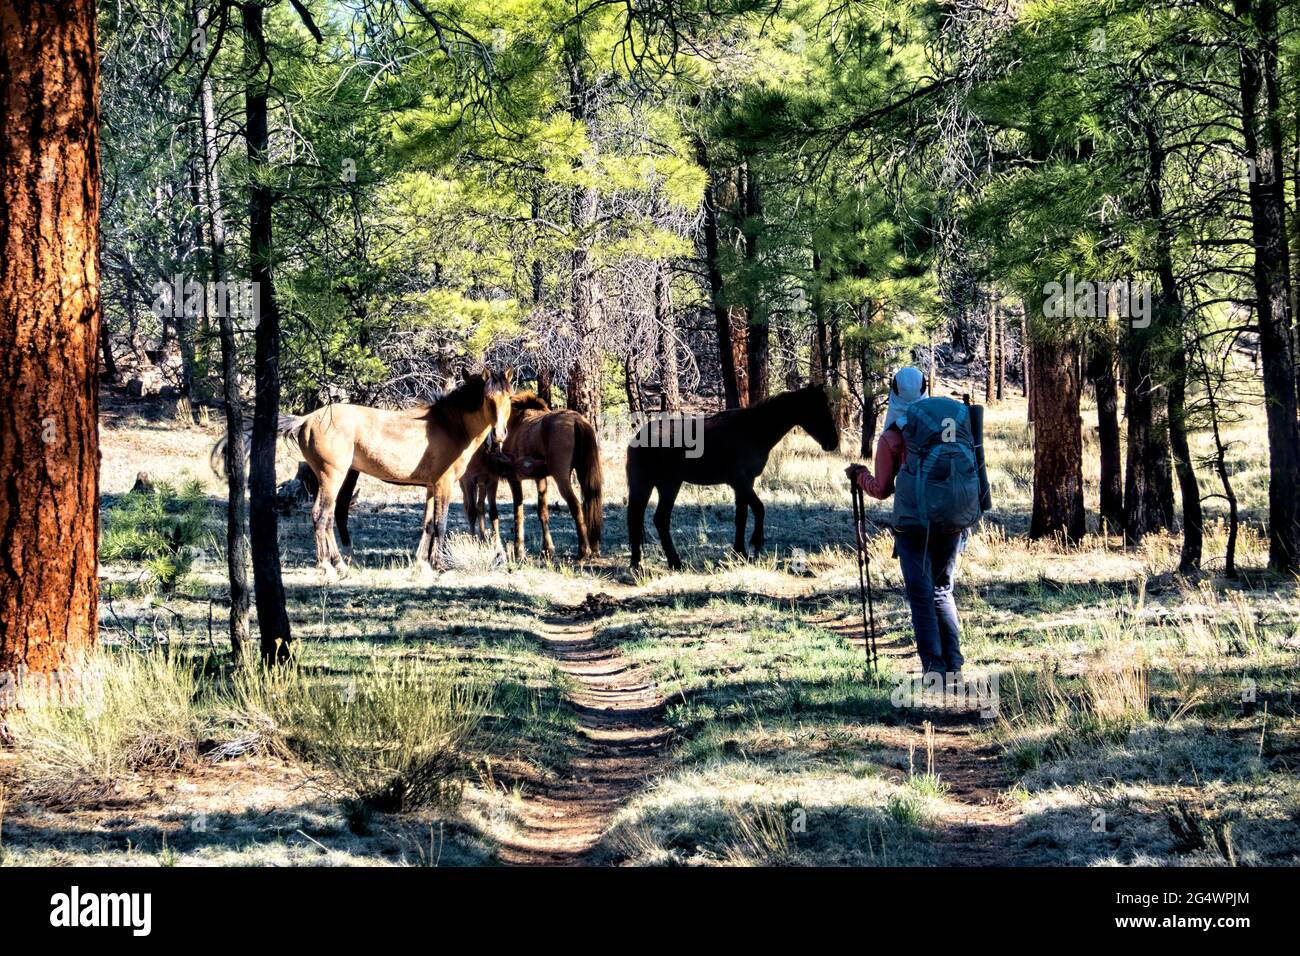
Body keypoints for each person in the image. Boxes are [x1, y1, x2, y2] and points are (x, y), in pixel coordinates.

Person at [846, 367, 979, 680]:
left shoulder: (892, 437)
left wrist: (859, 476)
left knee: (921, 597)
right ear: (925, 389)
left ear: (892, 392)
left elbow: (881, 489)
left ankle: (933, 668)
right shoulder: (948, 427)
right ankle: (954, 665)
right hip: (951, 522)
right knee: (942, 591)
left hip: (913, 526)